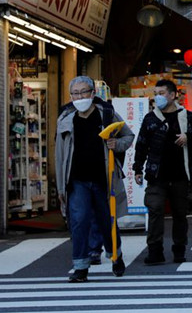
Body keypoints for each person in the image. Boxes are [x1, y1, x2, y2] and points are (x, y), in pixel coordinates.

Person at [55, 76, 134, 282]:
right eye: (75, 93)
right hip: (76, 179)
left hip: (103, 178)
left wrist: (117, 144)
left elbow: (128, 135)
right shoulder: (65, 118)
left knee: (107, 221)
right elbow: (60, 154)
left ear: (92, 93)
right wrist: (60, 187)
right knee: (79, 221)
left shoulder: (106, 114)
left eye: (83, 92)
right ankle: (80, 267)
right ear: (70, 96)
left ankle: (116, 257)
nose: (79, 97)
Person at [133, 79, 192, 265]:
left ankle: (179, 250)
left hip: (180, 174)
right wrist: (137, 168)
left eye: (161, 93)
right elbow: (141, 144)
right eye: (156, 93)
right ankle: (155, 251)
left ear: (173, 94)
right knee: (155, 209)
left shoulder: (186, 116)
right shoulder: (151, 118)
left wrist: (188, 136)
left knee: (180, 213)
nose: (157, 97)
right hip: (156, 175)